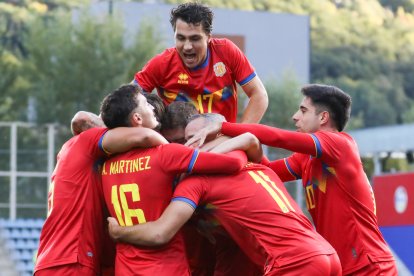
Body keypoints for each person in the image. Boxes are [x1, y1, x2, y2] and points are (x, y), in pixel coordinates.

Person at [186, 84, 398, 275]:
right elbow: (264, 172)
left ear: (323, 117)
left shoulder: (340, 144)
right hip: (344, 266)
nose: (295, 117)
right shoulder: (305, 159)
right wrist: (241, 145)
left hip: (370, 265)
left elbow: (279, 137)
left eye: (303, 110)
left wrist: (224, 128)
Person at [106, 113, 342, 275]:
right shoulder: (255, 162)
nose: (188, 146)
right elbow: (250, 139)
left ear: (218, 134)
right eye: (185, 140)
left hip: (294, 264)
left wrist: (119, 232)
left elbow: (160, 233)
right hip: (326, 255)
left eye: (194, 138)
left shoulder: (198, 179)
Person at [98, 84, 248, 275]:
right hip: (165, 268)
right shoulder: (166, 154)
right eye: (145, 103)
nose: (152, 107)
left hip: (126, 268)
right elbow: (233, 163)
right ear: (137, 118)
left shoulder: (106, 166)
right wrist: (245, 141)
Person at [35, 110, 169, 275]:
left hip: (61, 258)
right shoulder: (85, 141)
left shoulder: (83, 156)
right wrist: (170, 157)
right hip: (70, 260)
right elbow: (81, 119)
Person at [133, 2, 268, 123]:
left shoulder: (226, 52)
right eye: (181, 38)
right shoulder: (162, 63)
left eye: (195, 39)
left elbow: (259, 95)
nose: (187, 46)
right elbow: (129, 100)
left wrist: (238, 135)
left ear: (208, 37)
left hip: (222, 143)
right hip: (178, 146)